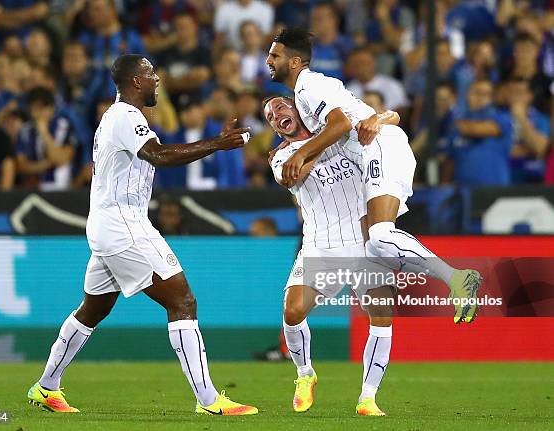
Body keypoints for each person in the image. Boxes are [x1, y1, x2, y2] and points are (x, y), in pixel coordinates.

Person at [27, 54, 258, 416]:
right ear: (136, 81)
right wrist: (217, 143)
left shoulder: (116, 118)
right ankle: (210, 400)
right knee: (182, 302)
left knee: (92, 309)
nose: (157, 80)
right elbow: (159, 156)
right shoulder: (124, 116)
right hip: (124, 224)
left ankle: (46, 387)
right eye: (151, 74)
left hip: (107, 224)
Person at [266, 28, 481, 324]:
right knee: (378, 240)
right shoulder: (306, 94)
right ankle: (455, 279)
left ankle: (457, 278)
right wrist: (382, 117)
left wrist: (302, 154)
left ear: (294, 61)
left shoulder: (307, 87)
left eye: (274, 55)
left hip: (378, 148)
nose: (268, 60)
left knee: (379, 236)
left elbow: (340, 125)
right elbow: (375, 116)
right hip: (378, 148)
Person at [265, 95, 399, 416]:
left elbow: (392, 117)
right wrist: (336, 132)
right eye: (270, 116)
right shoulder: (280, 157)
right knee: (293, 311)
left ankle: (368, 397)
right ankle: (304, 374)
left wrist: (372, 122)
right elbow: (293, 173)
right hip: (321, 249)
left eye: (281, 107)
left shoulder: (340, 133)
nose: (276, 115)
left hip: (365, 245)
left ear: (298, 109)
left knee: (381, 318)